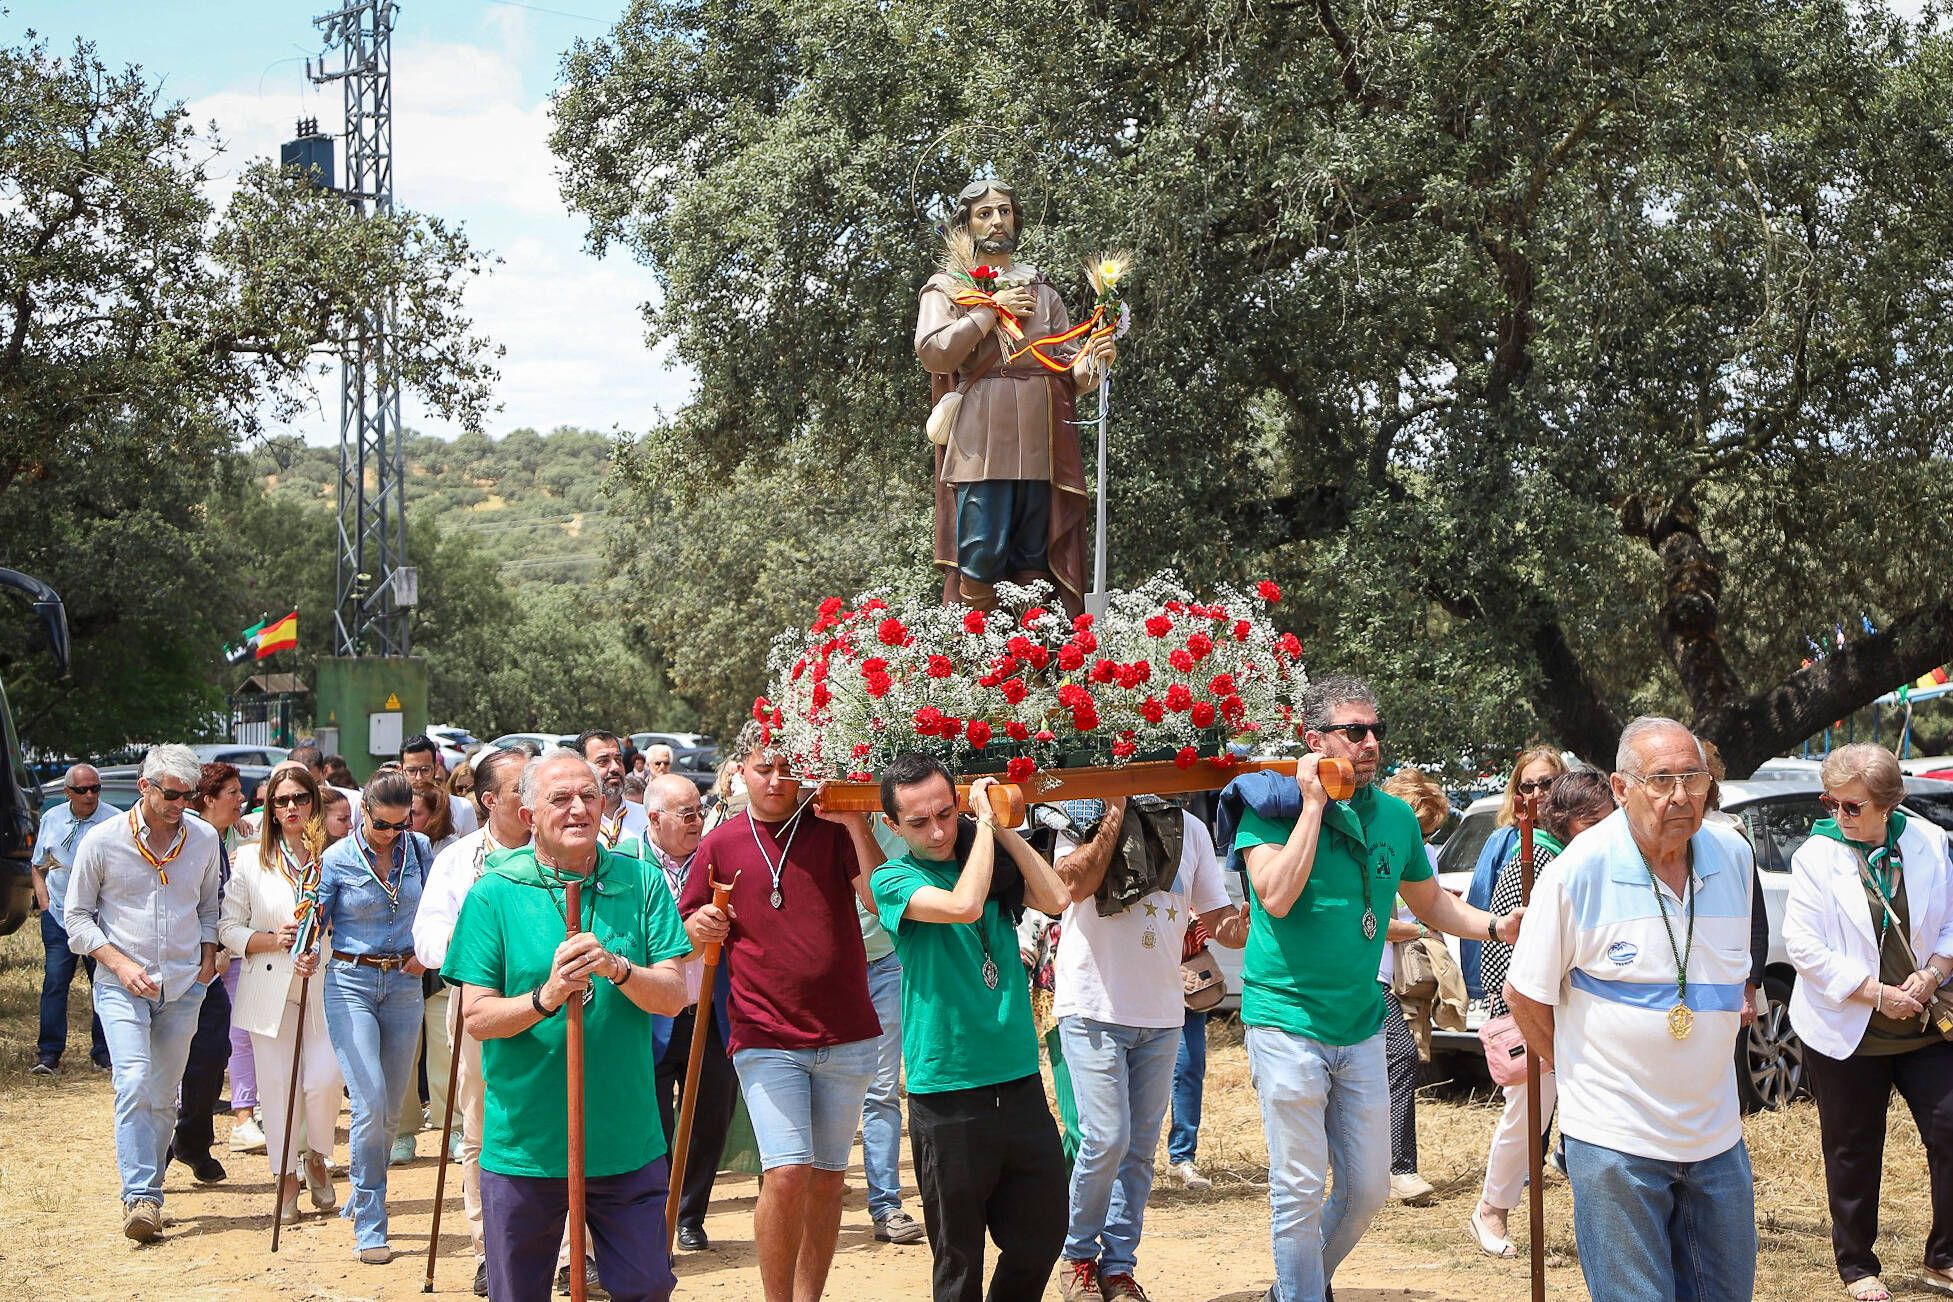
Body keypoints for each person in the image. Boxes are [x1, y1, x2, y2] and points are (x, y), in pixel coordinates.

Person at [1227, 674, 1522, 1302]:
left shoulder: (1393, 815)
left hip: (1359, 1020)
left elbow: (1433, 904)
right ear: (1315, 741)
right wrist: (1312, 806)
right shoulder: (1270, 805)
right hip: (1285, 1019)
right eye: (1354, 731)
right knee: (1300, 1187)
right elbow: (1274, 898)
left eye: (1376, 731)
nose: (1370, 743)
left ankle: (1292, 1288)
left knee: (1368, 1189)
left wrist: (1497, 925)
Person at [1505, 716, 1756, 1302]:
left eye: (1692, 779)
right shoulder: (1578, 871)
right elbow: (1524, 993)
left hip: (1716, 1138)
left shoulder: (1732, 856)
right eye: (1661, 780)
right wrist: (1583, 1070)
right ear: (1621, 788)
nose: (1680, 797)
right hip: (1614, 1143)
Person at [446, 750, 694, 1302]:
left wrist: (617, 967)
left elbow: (675, 996)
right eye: (560, 798)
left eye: (588, 795)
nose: (578, 808)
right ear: (529, 814)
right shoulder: (494, 894)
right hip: (525, 1146)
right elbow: (479, 1018)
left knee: (647, 1286)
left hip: (627, 1140)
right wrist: (547, 996)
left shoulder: (642, 883)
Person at [679, 720, 884, 1302]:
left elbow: (875, 897)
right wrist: (702, 924)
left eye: (785, 767)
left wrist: (856, 822)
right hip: (765, 1032)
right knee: (788, 1172)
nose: (775, 779)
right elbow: (686, 931)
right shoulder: (719, 842)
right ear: (741, 770)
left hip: (846, 1031)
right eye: (763, 767)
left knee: (826, 1180)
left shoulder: (828, 827)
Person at [871, 754, 1073, 1302]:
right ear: (892, 825)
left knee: (1044, 1233)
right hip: (949, 1093)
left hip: (1017, 1081)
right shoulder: (893, 878)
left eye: (945, 813)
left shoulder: (989, 859)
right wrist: (981, 825)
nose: (937, 830)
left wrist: (1001, 826)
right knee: (959, 1259)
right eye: (919, 822)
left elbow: (1057, 898)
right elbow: (962, 906)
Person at [1049, 795, 1248, 1301]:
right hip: (1092, 1006)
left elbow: (1218, 920)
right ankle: (1076, 1258)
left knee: (1138, 1152)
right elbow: (1075, 886)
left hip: (1162, 1015)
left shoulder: (1191, 830)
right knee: (1105, 1139)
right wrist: (1116, 808)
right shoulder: (1082, 812)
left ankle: (1118, 1269)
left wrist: (1255, 914)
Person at [1785, 743, 1953, 1301]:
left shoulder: (1929, 841)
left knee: (1951, 1130)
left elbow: (1951, 926)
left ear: (1887, 805)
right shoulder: (1816, 856)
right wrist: (1876, 994)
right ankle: (1857, 1265)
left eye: (1853, 807)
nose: (1840, 815)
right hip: (1848, 1029)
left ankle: (1943, 1259)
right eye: (1832, 802)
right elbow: (1804, 950)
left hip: (1925, 1027)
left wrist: (1929, 976)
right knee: (1854, 1150)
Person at [915, 177, 1114, 614]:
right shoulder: (948, 288)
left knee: (1033, 552)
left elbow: (1067, 368)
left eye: (1004, 211)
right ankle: (973, 653)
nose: (996, 221)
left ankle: (1034, 660)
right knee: (981, 546)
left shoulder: (1042, 291)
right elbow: (934, 352)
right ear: (966, 225)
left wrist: (1094, 361)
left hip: (1042, 434)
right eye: (984, 214)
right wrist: (990, 309)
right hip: (982, 433)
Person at [63, 743, 224, 1241]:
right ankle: (142, 1197)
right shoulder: (102, 841)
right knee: (133, 1082)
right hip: (120, 984)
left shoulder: (202, 840)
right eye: (173, 794)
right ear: (144, 787)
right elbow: (76, 918)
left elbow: (207, 909)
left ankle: (148, 1192)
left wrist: (207, 960)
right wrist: (117, 962)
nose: (182, 804)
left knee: (161, 1095)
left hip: (182, 985)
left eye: (189, 795)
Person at [1469, 768, 1614, 1257]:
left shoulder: (1591, 859)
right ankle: (1492, 1208)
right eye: (1592, 819)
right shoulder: (1535, 862)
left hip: (1585, 1010)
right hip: (1540, 1011)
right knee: (1527, 1115)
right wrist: (1512, 1011)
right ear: (1567, 821)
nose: (1603, 827)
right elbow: (1508, 952)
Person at [415, 745, 532, 1297]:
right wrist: (484, 961)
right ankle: (491, 1249)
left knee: (566, 1121)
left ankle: (569, 1251)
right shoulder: (457, 861)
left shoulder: (565, 851)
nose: (534, 799)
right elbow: (429, 938)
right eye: (520, 790)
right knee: (482, 1128)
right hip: (481, 1009)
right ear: (488, 801)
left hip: (559, 1006)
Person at [312, 770, 433, 1264]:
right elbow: (314, 917)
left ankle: (364, 1185)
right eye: (383, 825)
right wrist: (302, 944)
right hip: (350, 981)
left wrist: (428, 954)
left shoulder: (421, 849)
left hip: (405, 983)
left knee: (388, 1112)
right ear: (364, 813)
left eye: (400, 825)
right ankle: (370, 1220)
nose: (391, 834)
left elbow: (437, 912)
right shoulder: (336, 857)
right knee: (370, 1101)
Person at [220, 763, 341, 1223]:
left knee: (324, 1081)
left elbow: (345, 922)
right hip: (268, 983)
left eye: (300, 799)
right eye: (281, 800)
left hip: (323, 984)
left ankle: (316, 1154)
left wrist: (321, 937)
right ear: (269, 808)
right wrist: (275, 938)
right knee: (277, 1088)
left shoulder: (333, 857)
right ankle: (285, 1173)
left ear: (314, 803)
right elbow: (228, 927)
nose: (291, 807)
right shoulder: (250, 860)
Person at [643, 773, 742, 1252]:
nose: (697, 821)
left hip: (712, 1011)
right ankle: (652, 1217)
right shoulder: (628, 866)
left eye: (700, 811)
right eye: (686, 814)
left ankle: (689, 1214)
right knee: (654, 1123)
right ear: (654, 818)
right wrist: (687, 933)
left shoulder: (718, 860)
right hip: (650, 1016)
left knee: (708, 1118)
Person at [1374, 767, 1453, 1205]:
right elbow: (1373, 924)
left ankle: (1384, 1166)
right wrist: (1416, 931)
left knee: (1391, 1063)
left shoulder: (1424, 856)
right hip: (1364, 974)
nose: (1420, 841)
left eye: (1427, 833)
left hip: (1401, 976)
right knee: (1400, 1056)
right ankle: (1398, 1168)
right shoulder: (1373, 847)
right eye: (1417, 829)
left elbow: (1430, 911)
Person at [174, 762, 246, 1183]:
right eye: (233, 793)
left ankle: (191, 1141)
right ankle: (168, 1150)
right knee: (173, 1065)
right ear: (208, 799)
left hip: (210, 970)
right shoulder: (191, 839)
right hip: (178, 968)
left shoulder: (218, 840)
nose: (241, 800)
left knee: (214, 1054)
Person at [857, 815, 926, 1248]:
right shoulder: (818, 817)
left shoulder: (898, 819)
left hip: (887, 963)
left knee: (881, 1089)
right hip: (829, 968)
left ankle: (885, 1205)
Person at [1463, 746, 1567, 999]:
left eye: (1546, 783)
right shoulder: (1504, 841)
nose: (1537, 793)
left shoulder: (1574, 837)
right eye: (1527, 787)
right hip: (1515, 976)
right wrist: (1481, 986)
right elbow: (1480, 904)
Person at [32, 762, 115, 1074]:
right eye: (82, 789)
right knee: (55, 982)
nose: (90, 794)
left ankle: (104, 1054)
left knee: (105, 985)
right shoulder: (52, 819)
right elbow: (38, 864)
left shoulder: (113, 821)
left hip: (99, 917)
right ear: (68, 792)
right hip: (58, 916)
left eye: (95, 788)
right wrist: (43, 901)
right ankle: (48, 1056)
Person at [579, 729, 651, 851]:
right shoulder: (573, 821)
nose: (615, 767)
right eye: (603, 761)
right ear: (581, 768)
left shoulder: (647, 818)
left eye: (618, 760)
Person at [402, 734, 479, 838]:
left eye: (425, 770)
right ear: (401, 769)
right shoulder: (393, 807)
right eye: (411, 771)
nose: (419, 777)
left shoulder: (462, 807)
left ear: (436, 767)